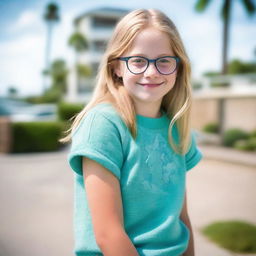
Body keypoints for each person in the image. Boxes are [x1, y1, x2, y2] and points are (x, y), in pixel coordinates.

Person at [61, 8, 203, 256]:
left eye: (164, 61)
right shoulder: (103, 124)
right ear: (116, 67)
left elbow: (180, 218)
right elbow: (108, 234)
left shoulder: (176, 128)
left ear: (178, 68)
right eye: (138, 60)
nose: (151, 72)